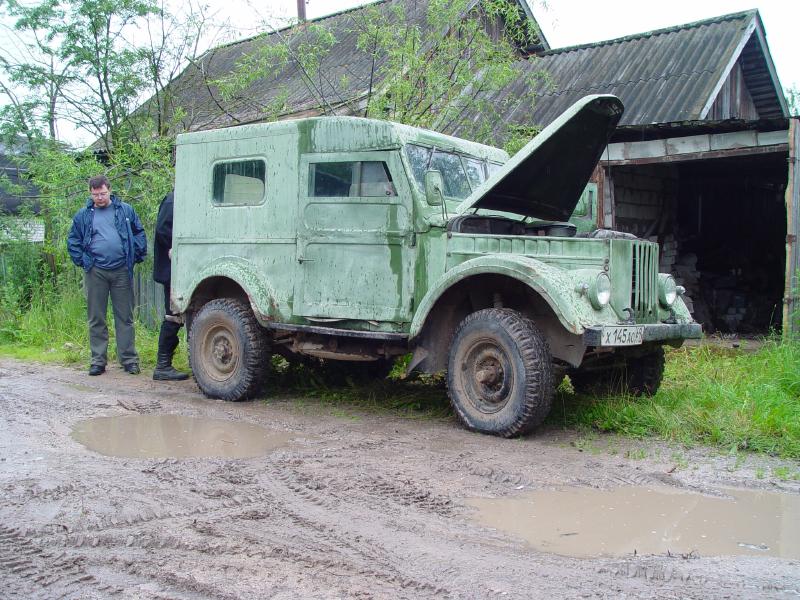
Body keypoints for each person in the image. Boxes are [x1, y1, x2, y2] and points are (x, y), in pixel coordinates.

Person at [67, 175, 147, 375]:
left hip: (121, 270)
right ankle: (98, 361)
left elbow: (139, 233)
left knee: (125, 317)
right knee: (96, 318)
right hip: (96, 272)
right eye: (95, 195)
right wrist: (83, 261)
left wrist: (135, 255)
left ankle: (129, 360)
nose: (100, 198)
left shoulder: (125, 210)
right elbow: (73, 241)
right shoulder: (83, 215)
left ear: (109, 190)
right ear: (90, 194)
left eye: (102, 194)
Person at [152, 191, 189, 381]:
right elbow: (162, 230)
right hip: (172, 268)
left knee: (176, 315)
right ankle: (162, 366)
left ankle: (164, 365)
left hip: (179, 268)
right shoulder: (174, 198)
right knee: (173, 315)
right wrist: (176, 246)